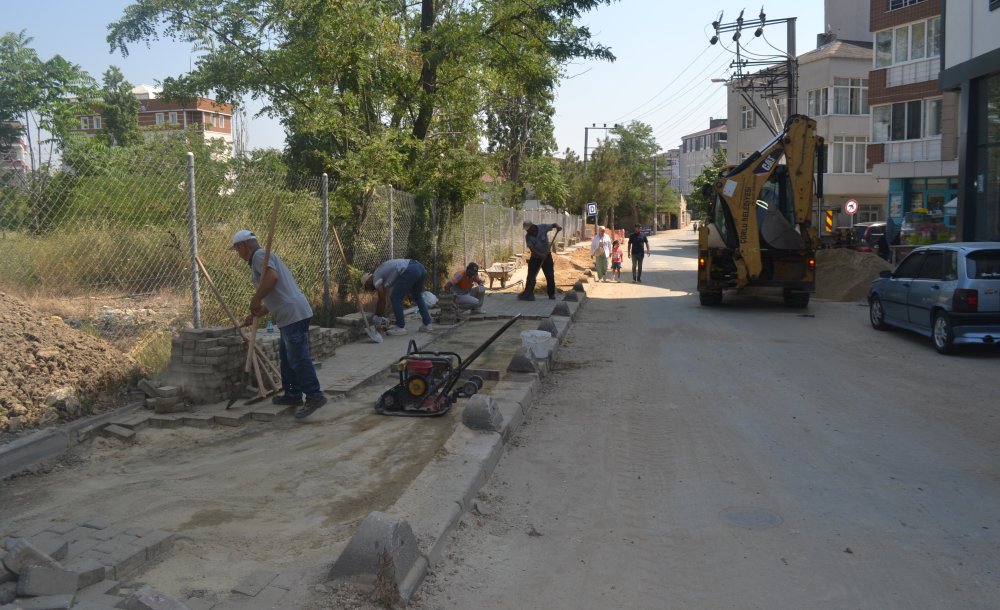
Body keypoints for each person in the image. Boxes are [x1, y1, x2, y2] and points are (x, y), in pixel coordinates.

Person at [230, 229, 327, 419]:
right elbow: (278, 291)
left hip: (292, 314)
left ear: (243, 246)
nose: (237, 254)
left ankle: (315, 395)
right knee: (287, 356)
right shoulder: (262, 257)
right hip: (290, 312)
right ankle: (292, 394)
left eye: (236, 249)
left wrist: (255, 299)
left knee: (298, 357)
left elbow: (272, 279)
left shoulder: (258, 255)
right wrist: (261, 310)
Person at [361, 259, 434, 336]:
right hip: (420, 267)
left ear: (367, 281)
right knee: (417, 296)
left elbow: (382, 299)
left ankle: (400, 327)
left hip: (410, 269)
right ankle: (427, 324)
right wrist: (379, 314)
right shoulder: (380, 274)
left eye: (367, 287)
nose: (369, 289)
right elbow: (382, 299)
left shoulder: (375, 277)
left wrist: (378, 318)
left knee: (395, 297)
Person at [519, 221, 562, 301]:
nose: (527, 231)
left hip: (547, 257)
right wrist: (540, 255)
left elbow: (553, 224)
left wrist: (557, 227)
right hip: (535, 258)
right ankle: (528, 293)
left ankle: (551, 294)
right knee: (531, 276)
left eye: (528, 229)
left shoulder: (542, 227)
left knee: (550, 276)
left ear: (532, 226)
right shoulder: (528, 236)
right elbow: (532, 249)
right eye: (526, 230)